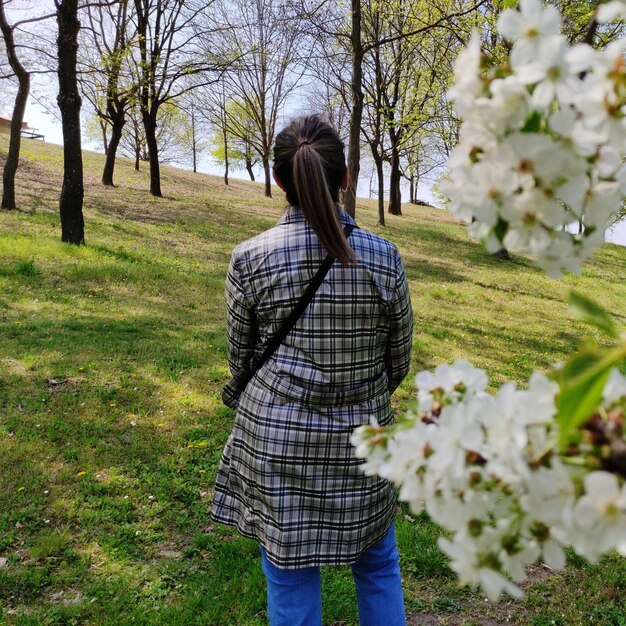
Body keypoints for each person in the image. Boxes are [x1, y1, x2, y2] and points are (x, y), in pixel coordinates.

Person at [211, 115, 413, 626]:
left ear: (281, 182)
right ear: (346, 177)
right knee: (377, 564)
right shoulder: (384, 259)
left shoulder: (249, 259)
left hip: (277, 447)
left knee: (288, 574)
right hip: (363, 444)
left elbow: (242, 360)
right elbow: (399, 360)